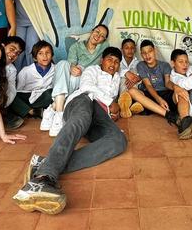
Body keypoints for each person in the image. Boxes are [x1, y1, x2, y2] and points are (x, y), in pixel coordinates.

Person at [13, 47, 128, 215]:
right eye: (110, 59)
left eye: (117, 62)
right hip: (83, 100)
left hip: (100, 116)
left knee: (118, 141)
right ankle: (42, 178)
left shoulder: (117, 77)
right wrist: (110, 102)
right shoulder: (92, 70)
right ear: (101, 60)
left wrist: (112, 112)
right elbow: (87, 86)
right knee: (81, 120)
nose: (113, 64)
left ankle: (45, 163)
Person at [127, 40, 192, 138]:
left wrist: (176, 87)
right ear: (141, 54)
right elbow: (148, 85)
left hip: (165, 93)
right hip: (150, 95)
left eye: (150, 51)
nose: (147, 55)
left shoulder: (164, 65)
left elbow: (167, 83)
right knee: (132, 91)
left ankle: (185, 121)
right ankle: (173, 117)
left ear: (155, 51)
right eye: (144, 53)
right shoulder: (141, 65)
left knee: (181, 91)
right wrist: (159, 99)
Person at [49, 24, 110, 136]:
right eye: (97, 31)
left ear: (104, 40)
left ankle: (53, 108)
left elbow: (112, 57)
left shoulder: (104, 48)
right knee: (63, 64)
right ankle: (59, 114)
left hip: (86, 80)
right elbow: (71, 63)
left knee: (76, 77)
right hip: (73, 78)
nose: (98, 36)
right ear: (92, 31)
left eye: (102, 36)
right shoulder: (76, 46)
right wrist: (73, 67)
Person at [11, 40, 55, 122]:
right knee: (11, 96)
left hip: (43, 97)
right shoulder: (26, 70)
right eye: (40, 53)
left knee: (52, 93)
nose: (45, 56)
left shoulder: (56, 69)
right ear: (35, 57)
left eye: (47, 53)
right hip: (27, 97)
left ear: (52, 55)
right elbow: (18, 90)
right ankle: (33, 111)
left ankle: (27, 110)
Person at [116, 38, 143, 118]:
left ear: (135, 49)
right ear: (122, 49)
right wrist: (126, 73)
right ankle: (124, 104)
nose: (130, 50)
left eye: (132, 48)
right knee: (122, 77)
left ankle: (130, 105)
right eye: (126, 48)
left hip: (134, 86)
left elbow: (143, 75)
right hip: (121, 88)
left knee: (135, 73)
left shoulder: (138, 63)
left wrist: (137, 78)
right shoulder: (118, 61)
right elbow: (114, 71)